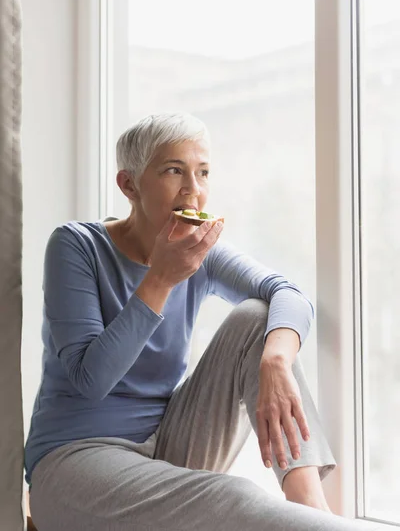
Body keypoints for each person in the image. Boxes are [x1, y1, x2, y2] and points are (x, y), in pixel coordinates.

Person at [25, 112, 379, 531]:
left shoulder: (200, 252)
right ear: (129, 185)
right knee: (235, 496)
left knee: (257, 316)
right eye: (174, 171)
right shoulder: (77, 246)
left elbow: (287, 294)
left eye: (204, 173)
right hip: (75, 462)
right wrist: (161, 278)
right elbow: (91, 380)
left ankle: (311, 506)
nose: (194, 191)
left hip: (169, 443)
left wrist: (276, 363)